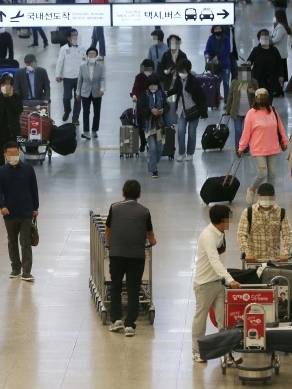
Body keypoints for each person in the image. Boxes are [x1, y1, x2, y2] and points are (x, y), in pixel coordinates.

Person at [105, 179, 157, 337]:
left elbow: (108, 228)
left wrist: (109, 245)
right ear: (139, 194)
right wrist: (152, 242)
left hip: (117, 254)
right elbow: (150, 234)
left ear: (123, 193)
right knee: (133, 288)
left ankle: (115, 320)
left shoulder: (114, 208)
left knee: (115, 286)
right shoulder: (145, 211)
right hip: (137, 255)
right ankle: (130, 325)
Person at [191, 205, 242, 363]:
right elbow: (214, 260)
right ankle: (197, 351)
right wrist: (230, 279)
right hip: (204, 285)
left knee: (223, 319)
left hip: (218, 284)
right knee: (201, 318)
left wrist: (224, 280)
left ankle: (227, 353)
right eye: (229, 217)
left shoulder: (221, 233)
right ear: (222, 220)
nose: (230, 221)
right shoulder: (208, 236)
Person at [0, 141, 39, 282]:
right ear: (5, 155)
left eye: (16, 153)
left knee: (25, 242)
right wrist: (2, 206)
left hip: (26, 212)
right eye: (10, 154)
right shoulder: (1, 172)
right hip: (9, 213)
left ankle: (27, 272)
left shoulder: (28, 170)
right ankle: (15, 268)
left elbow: (34, 189)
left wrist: (35, 208)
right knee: (12, 241)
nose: (13, 156)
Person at [237, 88, 288, 204]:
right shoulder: (251, 114)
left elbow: (280, 128)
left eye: (265, 96)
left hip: (273, 147)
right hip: (258, 149)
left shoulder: (273, 111)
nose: (263, 99)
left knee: (272, 174)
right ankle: (252, 189)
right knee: (263, 173)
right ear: (256, 99)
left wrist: (284, 141)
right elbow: (246, 132)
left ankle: (269, 196)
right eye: (261, 97)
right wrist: (241, 148)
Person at [237, 183, 292, 261]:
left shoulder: (281, 212)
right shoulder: (248, 212)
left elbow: (287, 234)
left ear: (274, 197)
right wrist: (248, 253)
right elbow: (241, 234)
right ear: (258, 196)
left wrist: (285, 253)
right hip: (254, 261)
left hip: (275, 261)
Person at [167, 59, 207, 162]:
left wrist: (204, 113)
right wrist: (166, 94)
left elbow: (201, 97)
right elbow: (175, 90)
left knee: (191, 133)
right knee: (180, 131)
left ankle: (190, 153)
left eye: (183, 72)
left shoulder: (194, 81)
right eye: (180, 71)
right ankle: (181, 153)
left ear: (188, 71)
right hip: (181, 110)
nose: (181, 74)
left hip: (193, 111)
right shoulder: (178, 80)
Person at [138, 74, 170, 179]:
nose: (153, 87)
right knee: (152, 148)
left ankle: (151, 163)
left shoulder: (161, 94)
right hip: (149, 126)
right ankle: (154, 170)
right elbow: (141, 110)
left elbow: (167, 105)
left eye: (155, 85)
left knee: (160, 148)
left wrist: (162, 111)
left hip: (160, 127)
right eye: (151, 85)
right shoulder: (143, 96)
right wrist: (150, 111)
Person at [0, 73, 23, 168]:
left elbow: (19, 110)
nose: (5, 86)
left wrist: (11, 97)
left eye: (7, 84)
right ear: (0, 85)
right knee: (0, 163)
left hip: (12, 134)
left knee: (13, 162)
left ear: (11, 86)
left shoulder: (16, 97)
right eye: (3, 84)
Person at [55, 28, 85, 125]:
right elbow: (60, 62)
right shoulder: (63, 49)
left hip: (80, 77)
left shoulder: (82, 48)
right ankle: (67, 110)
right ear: (68, 38)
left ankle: (75, 118)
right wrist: (58, 74)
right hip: (67, 77)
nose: (75, 37)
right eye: (73, 36)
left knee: (78, 98)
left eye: (76, 35)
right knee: (66, 97)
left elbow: (85, 61)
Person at [225, 65, 258, 152]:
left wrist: (253, 92)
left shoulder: (253, 82)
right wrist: (227, 110)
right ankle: (239, 148)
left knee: (246, 132)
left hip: (249, 112)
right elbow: (230, 97)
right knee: (238, 131)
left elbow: (260, 95)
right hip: (237, 112)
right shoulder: (234, 83)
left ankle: (246, 149)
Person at [76, 47, 106, 140]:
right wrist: (78, 92)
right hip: (85, 92)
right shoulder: (82, 67)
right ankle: (86, 131)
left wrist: (102, 89)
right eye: (90, 54)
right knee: (85, 111)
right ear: (87, 55)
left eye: (93, 54)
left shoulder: (101, 67)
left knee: (97, 112)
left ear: (96, 56)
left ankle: (94, 130)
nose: (91, 56)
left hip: (97, 92)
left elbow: (103, 79)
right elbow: (80, 80)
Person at [247, 29, 284, 100]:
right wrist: (248, 62)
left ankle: (268, 110)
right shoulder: (256, 50)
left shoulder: (274, 50)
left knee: (269, 97)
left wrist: (281, 75)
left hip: (271, 78)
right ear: (259, 39)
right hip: (258, 78)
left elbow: (279, 63)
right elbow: (250, 60)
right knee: (259, 97)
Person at [131, 59, 159, 152]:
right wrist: (134, 95)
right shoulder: (139, 77)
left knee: (155, 124)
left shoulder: (155, 77)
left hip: (153, 104)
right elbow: (135, 87)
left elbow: (160, 89)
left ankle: (156, 143)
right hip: (142, 104)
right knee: (141, 125)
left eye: (149, 69)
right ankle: (143, 142)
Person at [204, 25, 231, 104]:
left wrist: (218, 56)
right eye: (216, 29)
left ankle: (227, 100)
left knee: (226, 83)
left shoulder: (226, 39)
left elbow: (227, 50)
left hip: (225, 64)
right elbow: (207, 49)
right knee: (216, 82)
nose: (217, 30)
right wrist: (206, 54)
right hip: (215, 65)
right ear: (213, 30)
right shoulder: (210, 39)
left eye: (219, 28)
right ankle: (217, 98)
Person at [272, 11, 291, 96]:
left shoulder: (280, 27)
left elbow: (277, 39)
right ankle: (280, 88)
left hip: (279, 53)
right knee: (281, 71)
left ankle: (279, 89)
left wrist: (267, 41)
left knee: (279, 72)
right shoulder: (282, 26)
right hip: (281, 53)